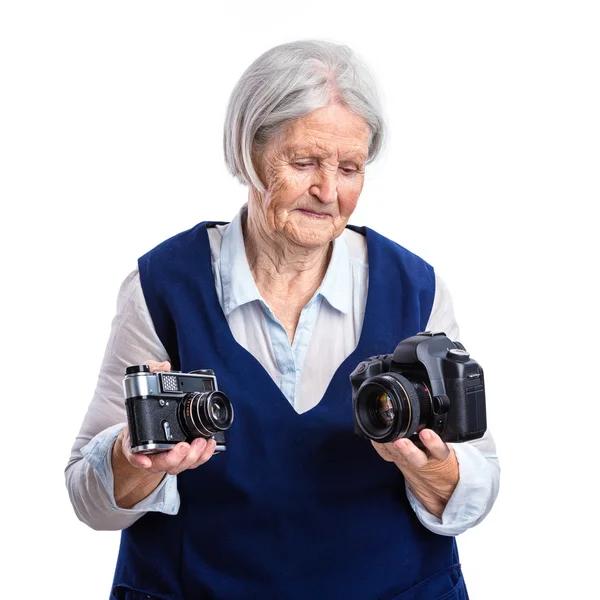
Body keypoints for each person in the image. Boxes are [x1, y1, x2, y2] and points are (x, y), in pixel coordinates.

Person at [66, 40, 500, 600]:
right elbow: (87, 497)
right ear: (249, 152)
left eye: (349, 168)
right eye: (303, 163)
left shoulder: (416, 288)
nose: (327, 191)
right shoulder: (162, 287)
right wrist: (134, 459)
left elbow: (479, 486)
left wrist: (435, 471)